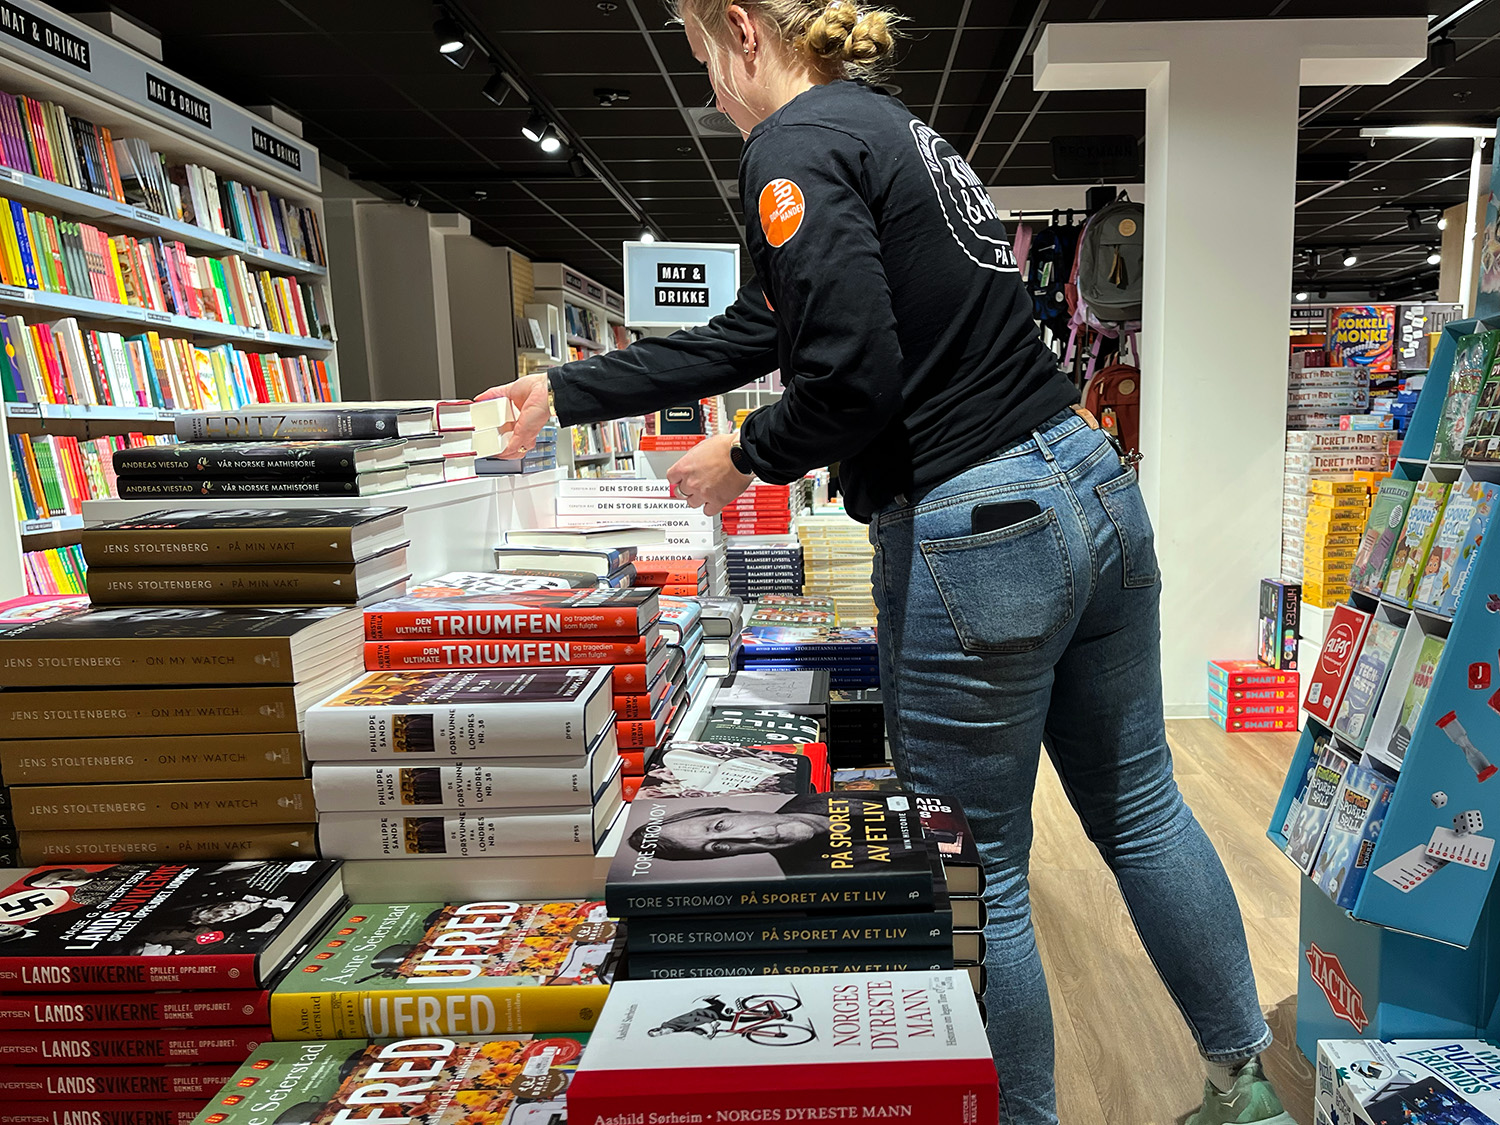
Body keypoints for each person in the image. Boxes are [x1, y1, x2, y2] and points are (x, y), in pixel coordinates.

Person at [481, 3, 1291, 1122]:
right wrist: (569, 390)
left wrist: (744, 455)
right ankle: (1247, 1088)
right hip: (1089, 480)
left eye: (699, 56)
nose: (706, 88)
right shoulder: (893, 131)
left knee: (979, 863)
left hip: (979, 521)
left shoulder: (792, 145)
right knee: (1143, 806)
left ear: (742, 29)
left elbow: (850, 381)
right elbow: (760, 330)